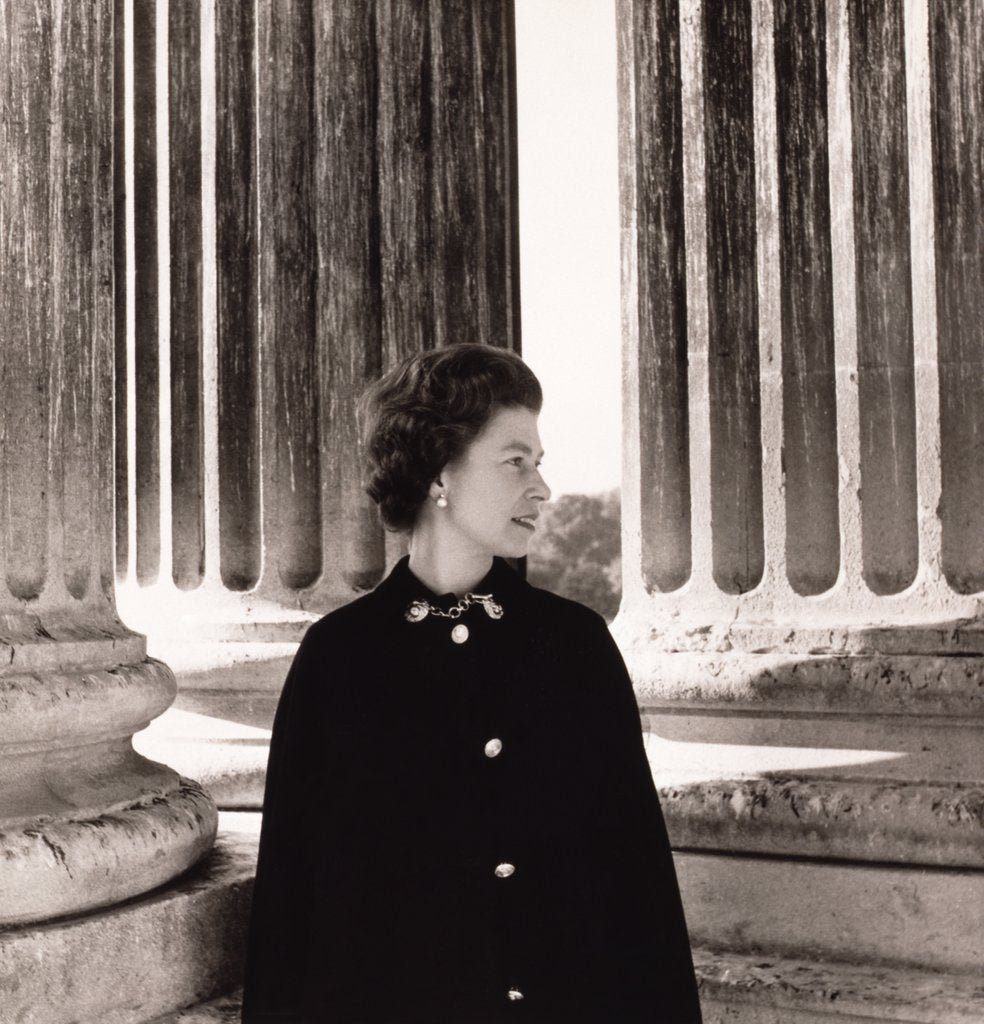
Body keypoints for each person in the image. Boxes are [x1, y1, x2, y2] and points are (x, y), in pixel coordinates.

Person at [241, 343, 702, 1023]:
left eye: (538, 464)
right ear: (437, 473)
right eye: (516, 462)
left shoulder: (575, 647)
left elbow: (641, 891)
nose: (541, 488)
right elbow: (290, 903)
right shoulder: (337, 660)